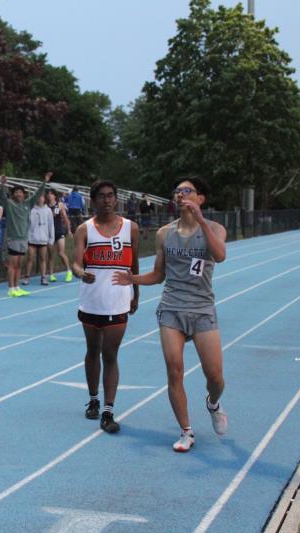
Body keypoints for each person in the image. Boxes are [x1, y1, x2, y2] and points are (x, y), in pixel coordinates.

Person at [113, 176, 228, 453]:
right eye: (177, 191)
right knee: (174, 369)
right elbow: (158, 274)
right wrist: (133, 279)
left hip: (202, 308)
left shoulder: (215, 228)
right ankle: (186, 431)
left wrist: (201, 221)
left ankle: (213, 403)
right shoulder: (165, 233)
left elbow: (220, 255)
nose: (180, 195)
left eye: (187, 191)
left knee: (215, 377)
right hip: (171, 307)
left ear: (201, 198)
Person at [73, 180, 140, 433]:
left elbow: (134, 265)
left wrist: (136, 293)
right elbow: (75, 264)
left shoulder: (130, 228)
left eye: (111, 195)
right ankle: (93, 399)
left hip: (118, 302)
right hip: (91, 301)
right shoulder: (85, 229)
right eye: (102, 196)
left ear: (116, 198)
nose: (107, 200)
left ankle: (108, 411)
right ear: (93, 200)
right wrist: (82, 273)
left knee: (110, 354)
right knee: (93, 350)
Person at [0, 172, 52, 297]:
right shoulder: (9, 204)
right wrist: (3, 185)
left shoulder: (28, 204)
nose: (18, 194)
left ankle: (17, 287)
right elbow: (2, 196)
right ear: (13, 194)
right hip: (13, 239)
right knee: (12, 264)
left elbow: (38, 194)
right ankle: (10, 288)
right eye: (16, 192)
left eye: (20, 192)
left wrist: (45, 181)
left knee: (19, 265)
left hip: (24, 239)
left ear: (24, 194)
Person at [25, 192, 54, 286]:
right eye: (38, 197)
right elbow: (28, 224)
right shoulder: (31, 210)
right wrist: (27, 237)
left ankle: (43, 277)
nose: (39, 199)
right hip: (32, 238)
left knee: (42, 258)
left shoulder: (48, 210)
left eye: (41, 197)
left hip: (43, 238)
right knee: (30, 258)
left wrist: (51, 239)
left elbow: (51, 225)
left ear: (44, 198)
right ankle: (27, 277)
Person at [47, 190, 74, 282]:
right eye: (48, 194)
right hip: (50, 233)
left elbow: (65, 218)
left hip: (59, 231)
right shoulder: (46, 206)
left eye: (51, 194)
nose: (49, 196)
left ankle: (69, 271)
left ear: (55, 196)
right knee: (51, 255)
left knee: (61, 253)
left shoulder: (60, 205)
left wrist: (69, 230)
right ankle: (51, 274)